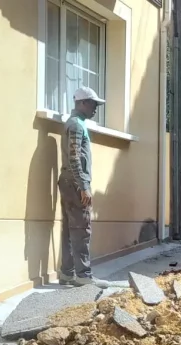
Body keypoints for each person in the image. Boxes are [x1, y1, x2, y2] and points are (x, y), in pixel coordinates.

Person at [58, 87, 105, 286]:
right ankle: (83, 276)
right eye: (93, 104)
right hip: (75, 184)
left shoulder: (75, 123)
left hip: (68, 181)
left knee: (69, 229)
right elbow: (74, 157)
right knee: (81, 228)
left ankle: (67, 273)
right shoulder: (77, 125)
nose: (95, 109)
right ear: (82, 103)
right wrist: (84, 185)